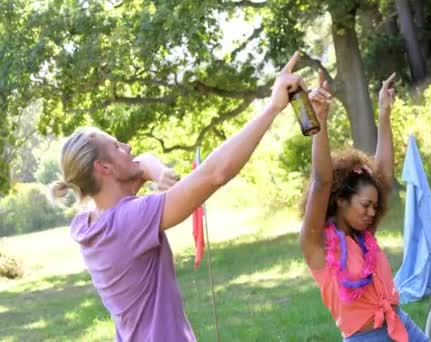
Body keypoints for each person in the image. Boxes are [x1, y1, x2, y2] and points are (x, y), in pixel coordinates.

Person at [48, 51, 306, 341]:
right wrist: (272, 107)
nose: (128, 146)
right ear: (103, 168)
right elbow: (215, 173)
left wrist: (155, 173)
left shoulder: (89, 224)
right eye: (117, 147)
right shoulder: (130, 220)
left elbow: (141, 164)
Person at [300, 72, 429, 341]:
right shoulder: (317, 245)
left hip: (400, 325)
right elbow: (322, 181)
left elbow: (382, 177)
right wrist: (320, 121)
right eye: (366, 205)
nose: (372, 212)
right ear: (340, 200)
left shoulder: (363, 236)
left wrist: (384, 113)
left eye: (375, 206)